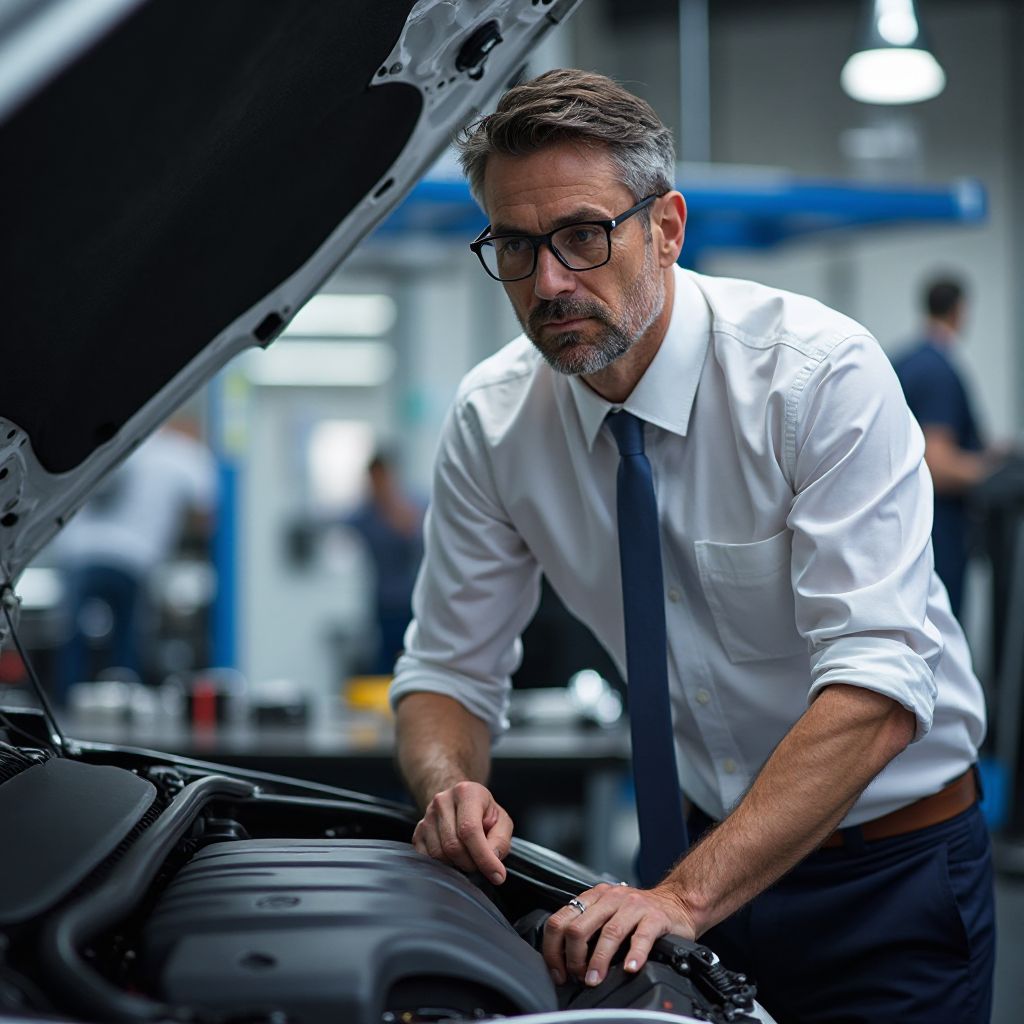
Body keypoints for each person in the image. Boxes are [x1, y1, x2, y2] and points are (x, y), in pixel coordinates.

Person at [388, 69, 992, 1022]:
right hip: (684, 866)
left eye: (584, 235)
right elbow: (445, 674)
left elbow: (878, 687)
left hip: (885, 873)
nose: (550, 282)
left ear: (666, 228)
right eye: (513, 245)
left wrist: (682, 898)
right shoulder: (495, 421)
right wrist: (452, 786)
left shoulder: (816, 378)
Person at [53, 419, 217, 703]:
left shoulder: (106, 444)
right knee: (128, 640)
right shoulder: (182, 453)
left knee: (74, 639)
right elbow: (205, 516)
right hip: (133, 558)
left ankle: (67, 708)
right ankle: (125, 704)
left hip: (80, 553)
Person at [892, 277, 999, 619]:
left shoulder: (905, 361)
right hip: (940, 537)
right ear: (959, 311)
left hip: (904, 532)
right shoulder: (938, 371)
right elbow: (937, 464)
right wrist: (995, 473)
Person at [344, 451, 425, 674]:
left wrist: (407, 526)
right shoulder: (366, 514)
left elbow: (426, 546)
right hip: (382, 604)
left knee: (413, 661)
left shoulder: (414, 507)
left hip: (412, 602)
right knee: (382, 665)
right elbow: (339, 525)